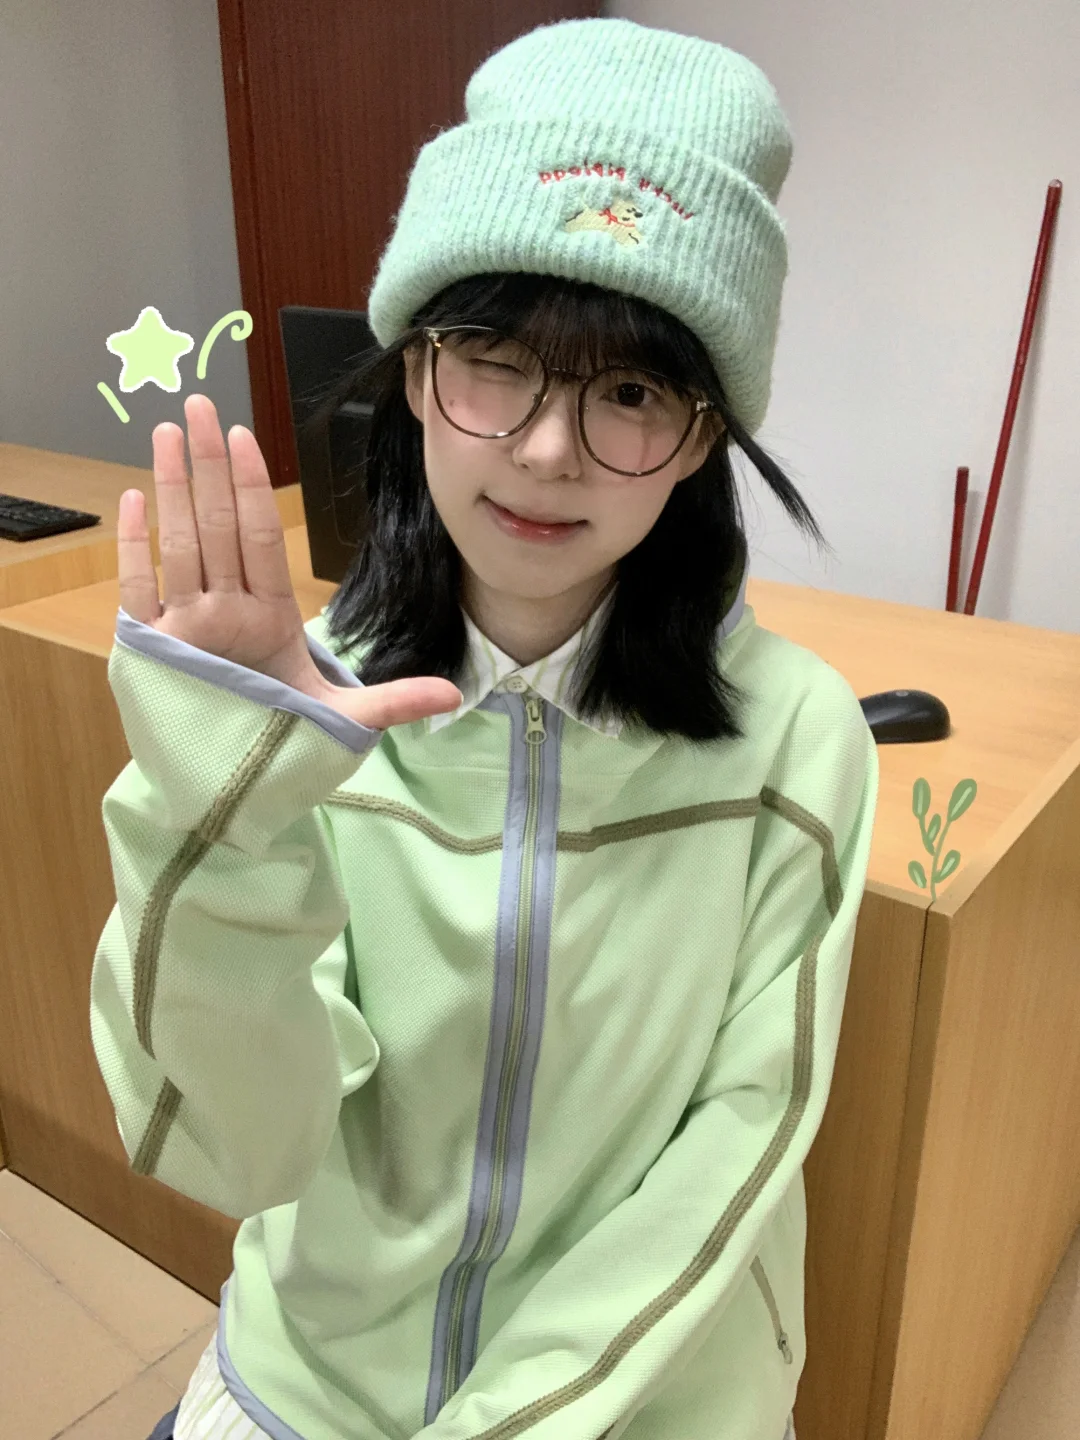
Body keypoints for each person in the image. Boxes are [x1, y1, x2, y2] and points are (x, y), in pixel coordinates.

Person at [91, 16, 878, 1440]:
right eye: (497, 360)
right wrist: (222, 817)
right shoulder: (311, 712)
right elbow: (235, 1152)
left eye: (631, 390)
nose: (548, 449)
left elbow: (731, 1159)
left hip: (637, 1409)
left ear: (706, 437)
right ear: (413, 370)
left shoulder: (800, 745)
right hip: (309, 1392)